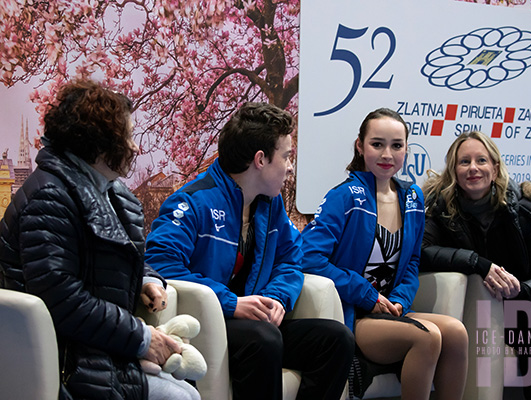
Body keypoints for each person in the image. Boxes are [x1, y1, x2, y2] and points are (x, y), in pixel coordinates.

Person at [0, 80, 200, 400]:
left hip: (97, 349)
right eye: (128, 136)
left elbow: (115, 257)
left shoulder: (105, 192)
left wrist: (147, 278)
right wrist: (141, 338)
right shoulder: (50, 197)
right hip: (68, 362)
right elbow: (62, 299)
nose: (135, 147)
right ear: (100, 142)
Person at [144, 102, 354, 400]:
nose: (290, 166)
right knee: (264, 339)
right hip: (208, 324)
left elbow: (290, 259)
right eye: (286, 156)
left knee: (337, 339)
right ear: (260, 159)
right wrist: (232, 303)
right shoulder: (192, 202)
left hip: (254, 325)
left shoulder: (271, 204)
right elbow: (161, 265)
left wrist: (277, 298)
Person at [301, 108, 468, 400]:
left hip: (392, 312)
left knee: (456, 332)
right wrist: (367, 295)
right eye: (377, 144)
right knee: (427, 336)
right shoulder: (345, 196)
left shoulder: (413, 197)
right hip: (355, 315)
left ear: (406, 148)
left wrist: (401, 301)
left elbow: (412, 262)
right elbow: (309, 258)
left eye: (396, 145)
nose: (387, 154)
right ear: (360, 146)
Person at [420, 130, 531, 400]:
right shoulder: (440, 210)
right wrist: (478, 263)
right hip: (471, 312)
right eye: (464, 162)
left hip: (525, 305)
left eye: (481, 160)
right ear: (453, 170)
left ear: (495, 167)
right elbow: (422, 253)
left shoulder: (522, 212)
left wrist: (519, 291)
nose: (473, 168)